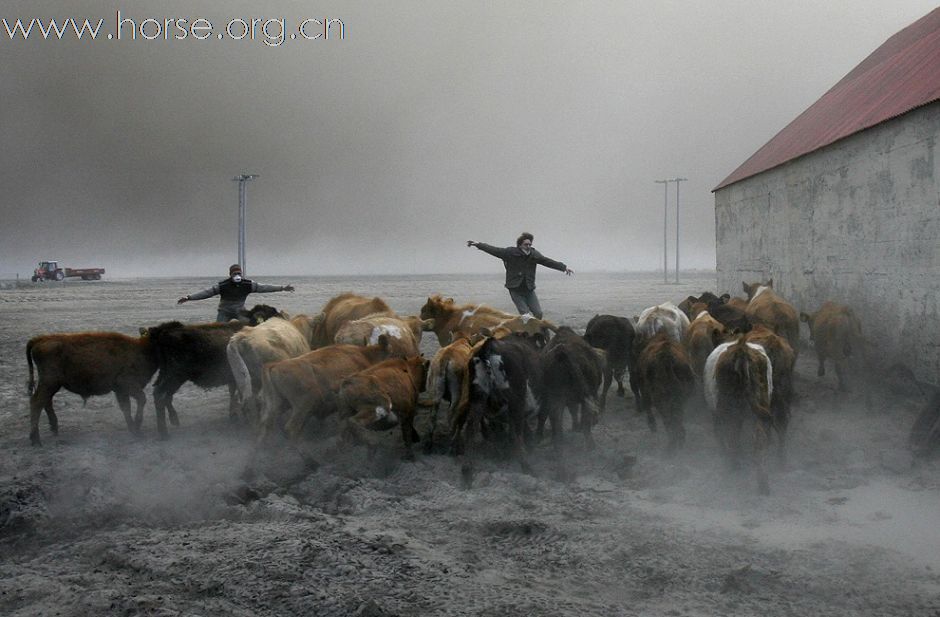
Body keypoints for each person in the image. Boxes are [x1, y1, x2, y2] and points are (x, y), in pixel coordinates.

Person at [467, 232, 573, 319]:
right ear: (520, 245)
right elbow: (494, 250)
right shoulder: (510, 253)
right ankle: (526, 334)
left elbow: (548, 261)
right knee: (525, 315)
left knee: (538, 313)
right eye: (526, 245)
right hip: (515, 288)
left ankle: (538, 332)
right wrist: (478, 244)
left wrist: (564, 268)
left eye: (530, 245)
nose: (528, 247)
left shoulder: (534, 255)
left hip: (529, 289)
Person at [177, 264, 295, 322]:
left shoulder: (247, 284)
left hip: (239, 310)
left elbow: (264, 288)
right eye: (235, 274)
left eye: (239, 273)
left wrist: (283, 288)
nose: (237, 276)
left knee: (250, 324)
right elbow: (206, 293)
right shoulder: (223, 285)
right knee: (218, 329)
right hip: (224, 311)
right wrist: (189, 297)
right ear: (230, 275)